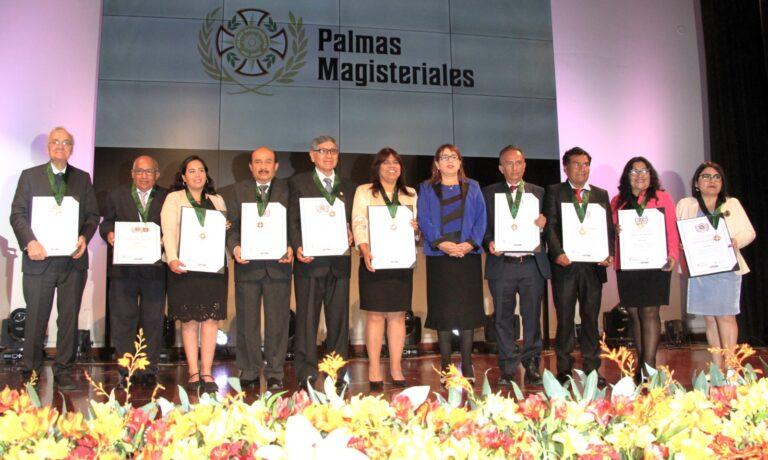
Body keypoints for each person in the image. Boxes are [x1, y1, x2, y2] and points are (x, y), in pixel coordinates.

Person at [10, 126, 100, 390]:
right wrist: (30, 242)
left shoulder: (83, 179)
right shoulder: (30, 177)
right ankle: (30, 370)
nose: (60, 146)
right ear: (48, 147)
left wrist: (85, 236)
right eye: (55, 142)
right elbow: (17, 215)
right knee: (36, 317)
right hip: (40, 259)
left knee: (68, 318)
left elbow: (93, 216)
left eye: (66, 142)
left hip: (72, 261)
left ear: (72, 148)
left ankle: (64, 369)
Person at [289, 136, 357, 390]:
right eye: (323, 151)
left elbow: (354, 221)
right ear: (312, 155)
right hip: (309, 262)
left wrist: (352, 234)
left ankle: (336, 373)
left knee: (338, 322)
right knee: (307, 322)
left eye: (333, 151)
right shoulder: (298, 183)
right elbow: (292, 221)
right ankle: (306, 373)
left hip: (339, 263)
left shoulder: (349, 187)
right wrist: (297, 246)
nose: (328, 156)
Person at [544, 147, 614, 387]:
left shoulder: (600, 194)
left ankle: (593, 369)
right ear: (566, 167)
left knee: (590, 319)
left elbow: (608, 229)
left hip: (593, 267)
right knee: (564, 319)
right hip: (565, 266)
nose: (582, 169)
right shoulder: (554, 191)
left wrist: (609, 254)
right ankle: (563, 370)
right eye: (577, 164)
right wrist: (558, 253)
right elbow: (550, 226)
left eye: (586, 164)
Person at [676, 161, 755, 369]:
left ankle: (730, 368)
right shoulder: (686, 204)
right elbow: (676, 232)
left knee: (726, 317)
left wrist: (736, 240)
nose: (712, 181)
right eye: (706, 176)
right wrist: (682, 243)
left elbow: (749, 232)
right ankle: (717, 366)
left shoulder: (731, 203)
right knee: (710, 319)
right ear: (696, 182)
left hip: (726, 269)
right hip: (700, 271)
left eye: (717, 177)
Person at [417, 144, 486, 382]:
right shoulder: (427, 188)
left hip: (468, 257)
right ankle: (446, 366)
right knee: (443, 313)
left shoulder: (473, 186)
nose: (449, 161)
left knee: (467, 313)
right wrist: (441, 243)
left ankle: (467, 365)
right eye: (444, 158)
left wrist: (470, 244)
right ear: (437, 163)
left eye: (453, 157)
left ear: (459, 162)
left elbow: (481, 218)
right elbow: (423, 218)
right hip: (440, 258)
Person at [482, 145, 550, 386]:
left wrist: (545, 224)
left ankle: (532, 363)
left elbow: (554, 229)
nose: (514, 167)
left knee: (532, 316)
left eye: (518, 162)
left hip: (532, 264)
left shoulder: (540, 193)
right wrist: (489, 242)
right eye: (509, 163)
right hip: (502, 264)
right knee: (502, 318)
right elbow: (483, 227)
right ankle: (508, 366)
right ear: (501, 168)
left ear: (525, 165)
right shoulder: (488, 193)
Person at [226, 147, 293, 392]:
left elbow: (293, 224)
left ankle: (275, 372)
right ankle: (250, 370)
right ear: (251, 167)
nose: (263, 166)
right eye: (258, 162)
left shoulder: (287, 190)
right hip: (247, 266)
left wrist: (291, 246)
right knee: (247, 322)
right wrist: (234, 248)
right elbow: (231, 227)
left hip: (279, 265)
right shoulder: (237, 191)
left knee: (278, 323)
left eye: (268, 162)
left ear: (276, 166)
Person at [351, 147, 418, 391]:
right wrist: (364, 249)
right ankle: (374, 368)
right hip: (374, 260)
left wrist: (416, 227)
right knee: (376, 315)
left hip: (401, 262)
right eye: (386, 163)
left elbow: (416, 230)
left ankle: (396, 367)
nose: (392, 167)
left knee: (398, 315)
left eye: (396, 163)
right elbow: (358, 222)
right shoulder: (364, 192)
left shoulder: (410, 194)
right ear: (377, 167)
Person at [161, 155, 228, 393]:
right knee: (189, 321)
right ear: (183, 176)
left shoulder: (217, 200)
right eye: (191, 171)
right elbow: (168, 231)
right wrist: (171, 258)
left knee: (211, 321)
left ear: (206, 174)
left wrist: (225, 228)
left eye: (201, 170)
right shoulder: (174, 199)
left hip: (213, 269)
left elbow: (221, 234)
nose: (197, 175)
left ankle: (208, 372)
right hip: (185, 268)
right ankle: (193, 372)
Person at [99, 155, 168, 387]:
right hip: (124, 268)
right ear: (132, 173)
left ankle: (148, 369)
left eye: (149, 171)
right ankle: (126, 369)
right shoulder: (116, 195)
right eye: (139, 171)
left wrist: (165, 239)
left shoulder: (167, 197)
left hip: (154, 270)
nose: (144, 175)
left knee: (152, 320)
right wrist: (109, 233)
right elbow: (106, 222)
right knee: (123, 319)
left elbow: (173, 227)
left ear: (157, 174)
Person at [610, 157, 679, 382]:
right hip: (628, 264)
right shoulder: (617, 201)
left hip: (655, 263)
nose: (640, 175)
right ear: (626, 176)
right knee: (633, 313)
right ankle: (642, 363)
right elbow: (609, 232)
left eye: (644, 170)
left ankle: (648, 368)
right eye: (634, 171)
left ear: (651, 174)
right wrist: (615, 229)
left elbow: (671, 229)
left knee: (649, 312)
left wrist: (673, 255)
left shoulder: (663, 198)